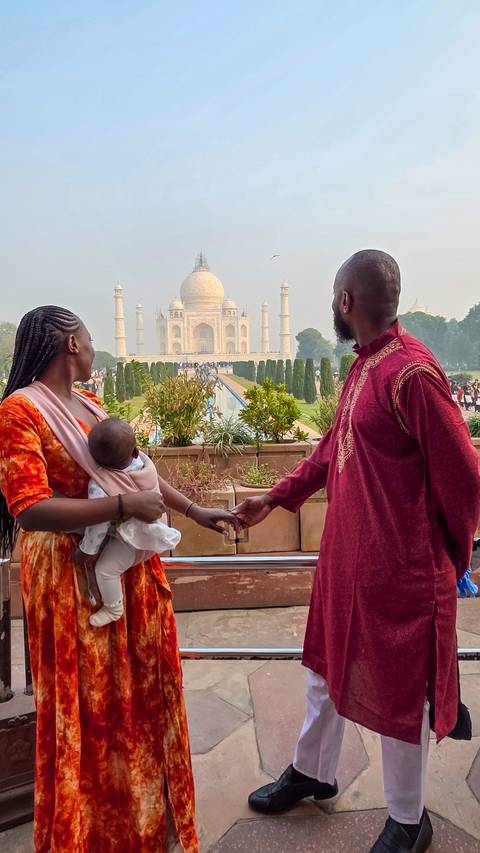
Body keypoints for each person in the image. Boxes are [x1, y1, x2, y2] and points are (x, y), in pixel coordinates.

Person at [234, 251, 480, 853]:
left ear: (346, 302)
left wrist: (450, 557)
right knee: (324, 667)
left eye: (334, 295)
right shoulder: (366, 368)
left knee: (399, 691)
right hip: (348, 560)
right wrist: (275, 497)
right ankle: (315, 772)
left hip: (399, 570)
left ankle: (407, 818)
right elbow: (329, 451)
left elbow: (466, 477)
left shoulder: (411, 375)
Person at [0, 305, 239, 853]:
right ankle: (85, 836)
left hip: (122, 568)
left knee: (132, 699)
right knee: (85, 706)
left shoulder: (87, 405)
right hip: (68, 577)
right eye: (87, 336)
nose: (93, 345)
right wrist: (123, 507)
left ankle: (138, 827)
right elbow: (29, 508)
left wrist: (195, 511)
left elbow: (135, 470)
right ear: (68, 343)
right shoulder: (21, 412)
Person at [75, 417, 181, 628]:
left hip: (130, 541)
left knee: (105, 570)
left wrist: (88, 550)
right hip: (155, 535)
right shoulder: (143, 463)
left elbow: (99, 523)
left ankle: (113, 607)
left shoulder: (100, 483)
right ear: (134, 451)